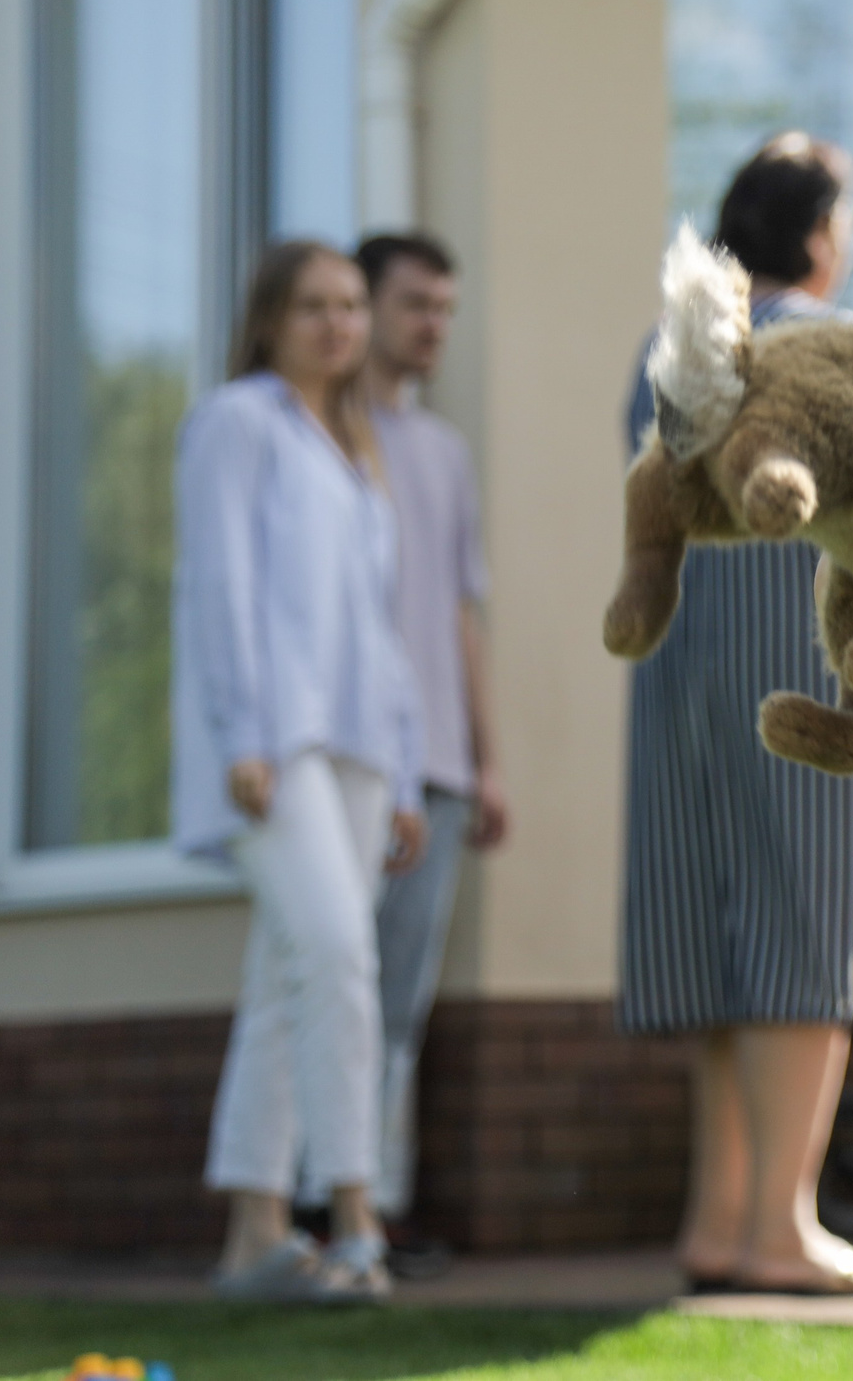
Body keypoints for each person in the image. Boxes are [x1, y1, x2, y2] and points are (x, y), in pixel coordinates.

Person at [619, 132, 853, 1295]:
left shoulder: (669, 348)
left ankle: (717, 1222)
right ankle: (781, 1225)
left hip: (681, 673)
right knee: (807, 936)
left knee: (716, 941)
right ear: (817, 233)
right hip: (800, 673)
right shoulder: (826, 339)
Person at [173, 242, 426, 1302]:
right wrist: (242, 733)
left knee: (286, 983)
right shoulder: (238, 422)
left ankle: (254, 1239)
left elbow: (377, 628)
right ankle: (356, 1215)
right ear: (270, 320)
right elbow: (220, 581)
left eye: (351, 306)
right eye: (314, 306)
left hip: (360, 745)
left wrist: (405, 774)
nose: (337, 324)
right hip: (275, 742)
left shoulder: (356, 448)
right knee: (334, 955)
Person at [352, 231, 510, 1277]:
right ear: (362, 305)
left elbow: (460, 614)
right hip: (345, 758)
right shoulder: (318, 435)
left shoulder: (443, 453)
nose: (432, 327)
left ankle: (377, 1206)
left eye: (445, 309)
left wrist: (485, 760)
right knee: (331, 982)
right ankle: (321, 1205)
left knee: (398, 1000)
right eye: (414, 304)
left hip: (440, 771)